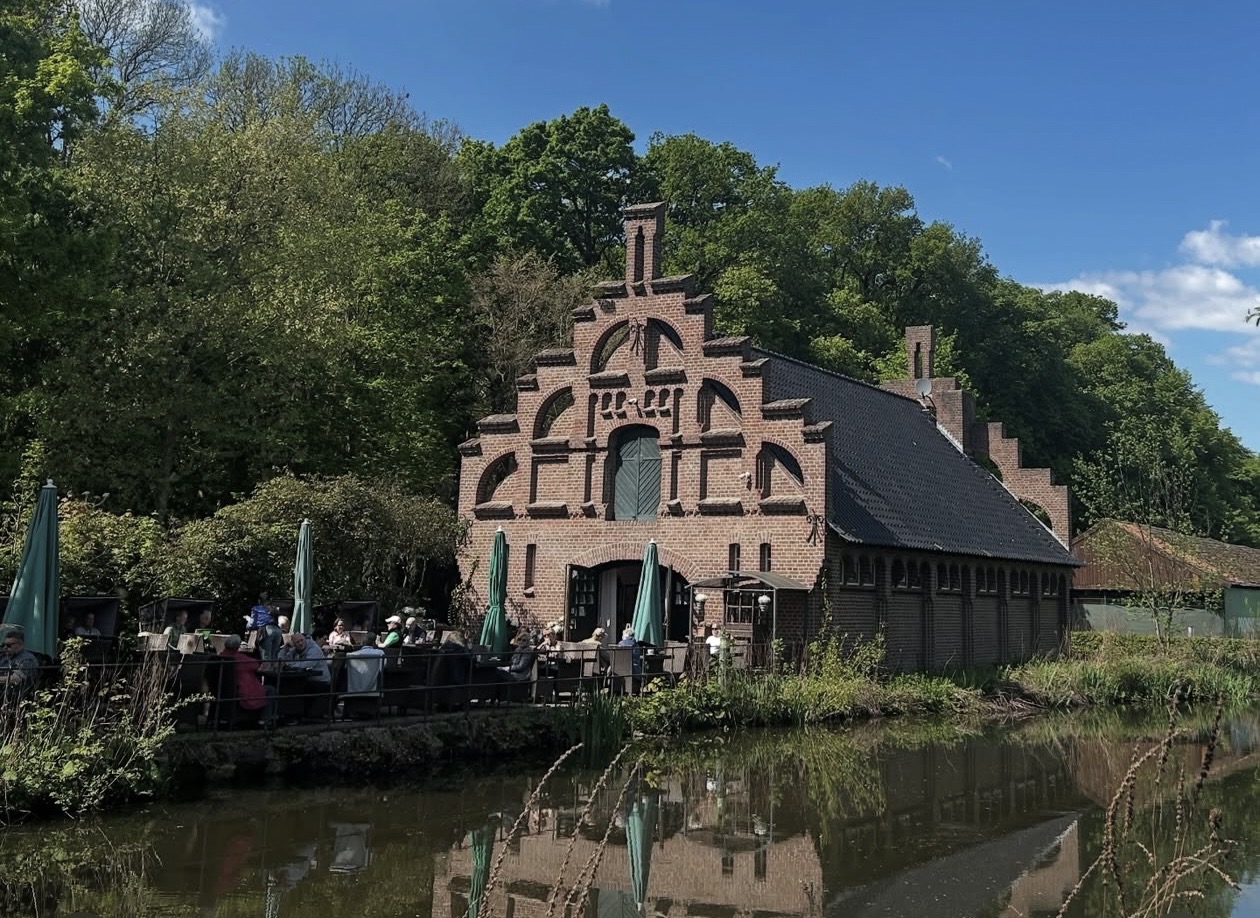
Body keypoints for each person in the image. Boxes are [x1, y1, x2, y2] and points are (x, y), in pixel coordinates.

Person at [218, 634, 274, 727]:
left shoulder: (221, 656)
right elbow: (256, 665)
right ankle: (264, 720)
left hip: (226, 689)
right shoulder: (240, 658)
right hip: (242, 690)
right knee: (271, 690)